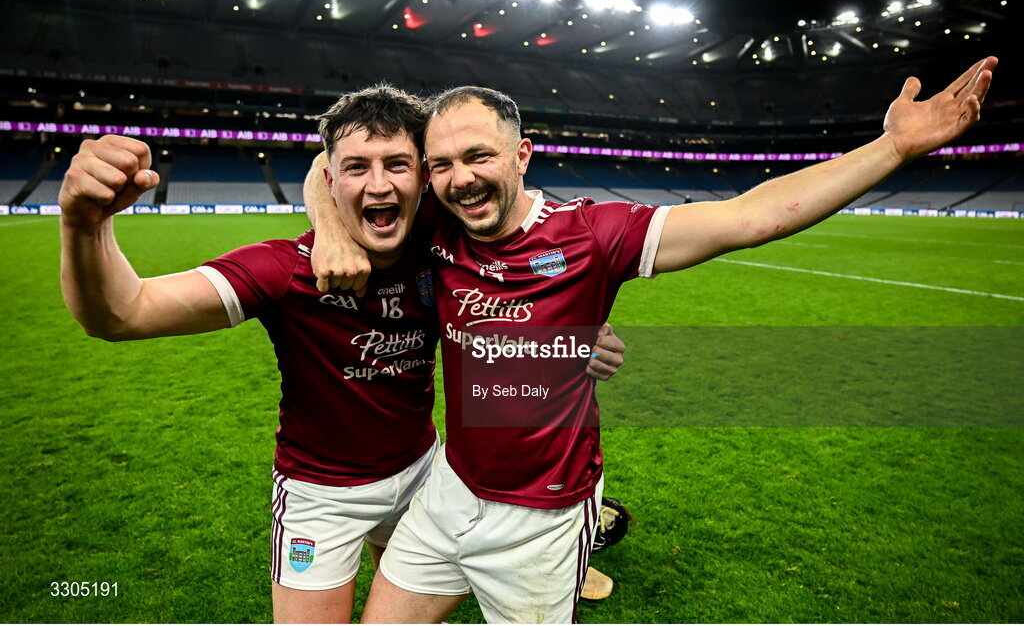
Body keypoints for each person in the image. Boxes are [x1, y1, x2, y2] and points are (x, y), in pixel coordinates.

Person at [305, 57, 997, 623]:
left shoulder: (594, 232)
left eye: (478, 157)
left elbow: (750, 217)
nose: (460, 179)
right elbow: (327, 164)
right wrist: (332, 232)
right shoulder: (437, 221)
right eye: (442, 164)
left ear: (522, 155)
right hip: (451, 488)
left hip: (544, 513)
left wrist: (893, 146)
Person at [58, 84, 625, 624]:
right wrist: (84, 225)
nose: (378, 185)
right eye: (356, 169)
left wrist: (572, 340)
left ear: (423, 178)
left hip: (425, 476)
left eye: (397, 166)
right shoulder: (283, 269)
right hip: (320, 494)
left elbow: (516, 278)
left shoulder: (438, 244)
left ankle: (564, 548)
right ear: (332, 178)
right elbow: (122, 313)